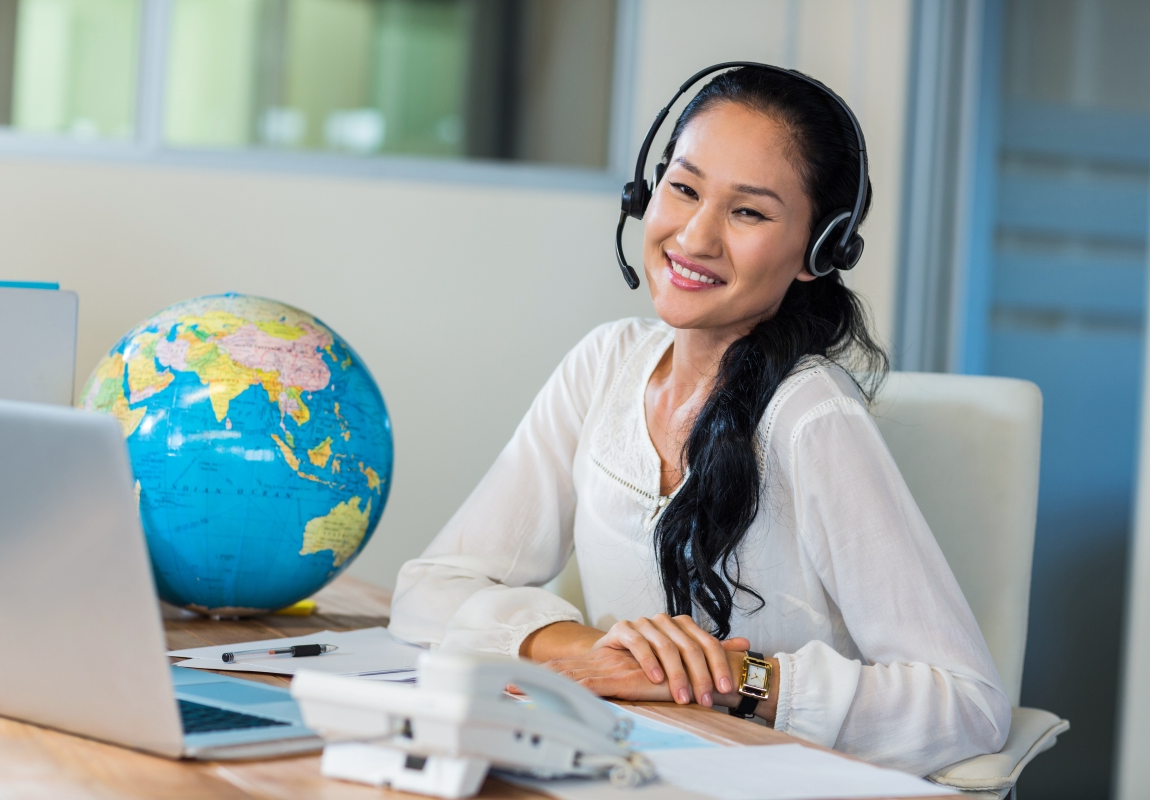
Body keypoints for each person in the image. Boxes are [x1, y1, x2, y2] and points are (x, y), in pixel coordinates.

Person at [388, 65, 1009, 776]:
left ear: (818, 252)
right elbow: (429, 590)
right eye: (683, 190)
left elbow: (967, 703)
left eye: (749, 212)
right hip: (624, 772)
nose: (696, 236)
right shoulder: (605, 364)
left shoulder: (811, 415)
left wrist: (723, 681)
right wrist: (597, 649)